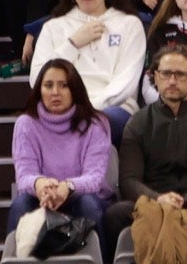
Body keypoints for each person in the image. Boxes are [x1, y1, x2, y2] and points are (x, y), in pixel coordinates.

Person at [105, 42, 187, 250]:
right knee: (116, 214)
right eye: (165, 74)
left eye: (180, 74)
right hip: (153, 201)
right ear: (155, 77)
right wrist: (158, 199)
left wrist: (186, 199)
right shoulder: (138, 122)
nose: (172, 81)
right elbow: (129, 180)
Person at [28, 0, 146, 145]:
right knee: (27, 123)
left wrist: (86, 109)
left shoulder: (129, 24)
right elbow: (37, 79)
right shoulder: (53, 27)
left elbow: (127, 81)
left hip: (113, 109)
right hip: (62, 106)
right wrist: (72, 43)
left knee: (98, 122)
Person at [9, 57, 113, 233]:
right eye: (48, 86)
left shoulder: (96, 124)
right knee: (21, 204)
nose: (55, 92)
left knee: (88, 204)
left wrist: (67, 187)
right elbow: (24, 176)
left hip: (82, 197)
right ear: (39, 90)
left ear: (75, 89)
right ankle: (15, 260)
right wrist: (41, 184)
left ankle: (99, 260)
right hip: (42, 198)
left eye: (63, 85)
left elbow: (95, 178)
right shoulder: (25, 124)